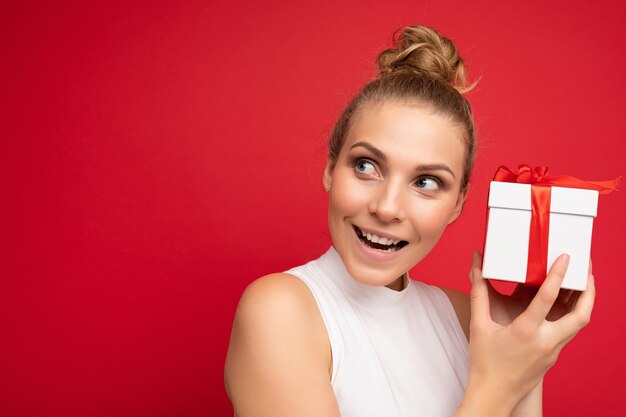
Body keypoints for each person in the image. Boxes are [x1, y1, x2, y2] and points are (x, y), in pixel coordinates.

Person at [223, 25, 595, 417]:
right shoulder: (280, 310)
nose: (387, 208)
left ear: (457, 204)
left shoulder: (469, 318)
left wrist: (529, 354)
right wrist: (498, 386)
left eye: (426, 182)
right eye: (366, 166)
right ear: (332, 169)